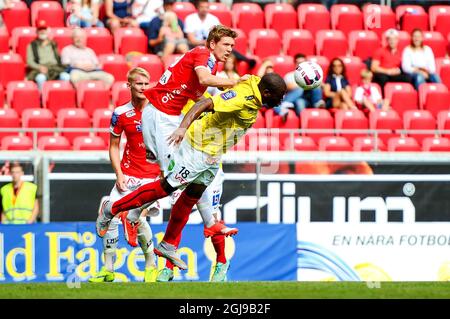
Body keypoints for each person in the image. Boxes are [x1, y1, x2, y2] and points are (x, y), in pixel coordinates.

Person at [96, 73, 287, 271]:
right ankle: (112, 209)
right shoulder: (241, 98)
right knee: (165, 187)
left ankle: (168, 244)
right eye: (279, 97)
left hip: (213, 154)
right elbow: (202, 105)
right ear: (266, 93)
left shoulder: (255, 84)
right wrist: (182, 128)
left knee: (191, 196)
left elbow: (253, 78)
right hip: (197, 149)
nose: (281, 101)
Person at [89, 68, 161, 283]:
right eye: (138, 84)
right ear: (128, 85)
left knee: (136, 218)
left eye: (146, 84)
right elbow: (113, 146)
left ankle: (151, 266)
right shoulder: (120, 113)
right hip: (128, 175)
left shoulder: (158, 111)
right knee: (109, 215)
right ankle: (108, 270)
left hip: (153, 177)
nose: (143, 88)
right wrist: (118, 174)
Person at [275, 54, 325, 118]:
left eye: (303, 63)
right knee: (299, 101)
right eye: (298, 63)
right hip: (297, 98)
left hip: (310, 97)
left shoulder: (312, 73)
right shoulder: (290, 75)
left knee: (315, 84)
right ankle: (302, 123)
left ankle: (317, 103)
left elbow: (321, 85)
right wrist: (305, 83)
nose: (301, 64)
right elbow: (289, 87)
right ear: (295, 64)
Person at [26, 20, 70, 90]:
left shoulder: (53, 44)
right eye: (40, 29)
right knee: (40, 78)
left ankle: (63, 97)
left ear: (47, 31)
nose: (42, 31)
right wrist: (39, 67)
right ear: (37, 32)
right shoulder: (31, 45)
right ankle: (42, 98)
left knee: (66, 76)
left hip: (54, 68)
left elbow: (59, 58)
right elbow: (29, 61)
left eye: (44, 29)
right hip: (40, 69)